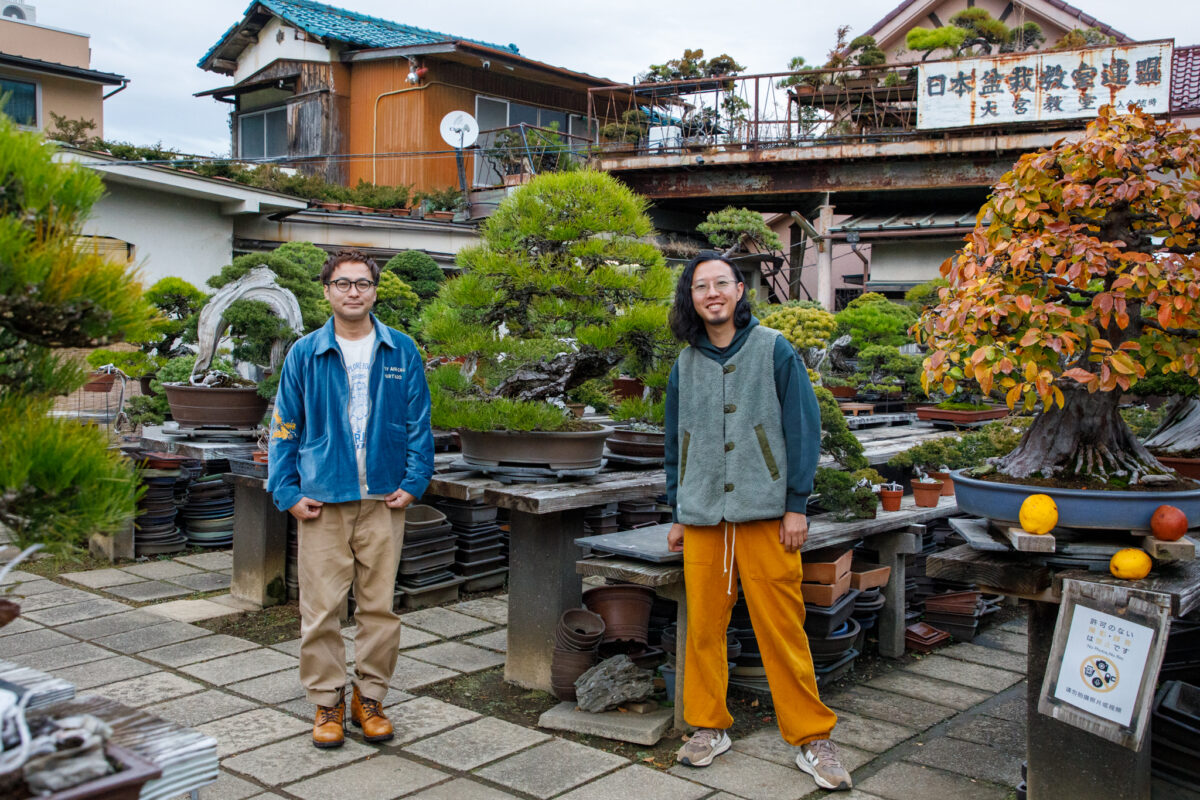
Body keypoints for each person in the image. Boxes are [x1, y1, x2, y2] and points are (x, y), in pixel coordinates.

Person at [664, 251, 852, 791]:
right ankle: (708, 725)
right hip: (703, 517)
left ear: (739, 290)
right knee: (704, 629)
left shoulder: (775, 349)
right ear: (692, 298)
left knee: (782, 626)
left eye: (721, 283)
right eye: (701, 286)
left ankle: (812, 736)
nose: (713, 293)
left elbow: (803, 428)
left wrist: (796, 504)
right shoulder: (684, 365)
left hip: (767, 515)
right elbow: (676, 443)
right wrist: (678, 511)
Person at [268, 249, 434, 749]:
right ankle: (327, 702)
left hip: (384, 498)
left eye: (363, 283)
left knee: (379, 607)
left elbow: (419, 422)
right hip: (324, 497)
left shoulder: (401, 350)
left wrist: (416, 479)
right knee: (321, 610)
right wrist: (286, 490)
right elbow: (284, 426)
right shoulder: (305, 353)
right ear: (327, 291)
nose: (353, 291)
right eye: (343, 283)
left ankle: (371, 697)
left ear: (375, 291)